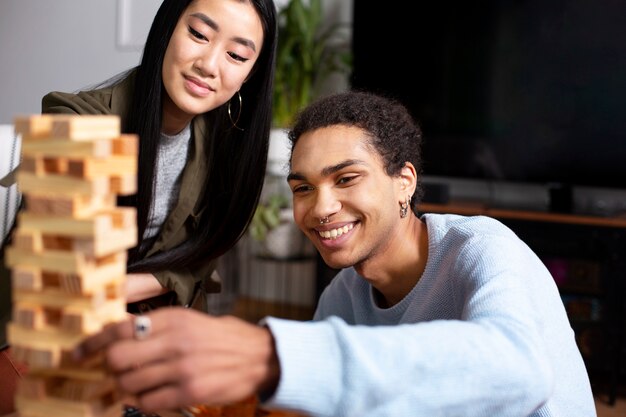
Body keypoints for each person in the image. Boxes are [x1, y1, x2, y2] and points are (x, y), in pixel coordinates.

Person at [73, 91, 597, 417]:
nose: (320, 208)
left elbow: (519, 372)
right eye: (302, 188)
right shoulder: (345, 297)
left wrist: (269, 355)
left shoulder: (485, 250)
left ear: (403, 182)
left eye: (346, 179)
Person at [1, 0, 278, 313]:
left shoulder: (225, 146)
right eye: (199, 34)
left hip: (155, 323)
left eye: (236, 56)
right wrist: (162, 280)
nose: (209, 65)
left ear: (250, 73)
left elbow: (205, 254)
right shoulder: (76, 124)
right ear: (167, 27)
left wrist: (138, 286)